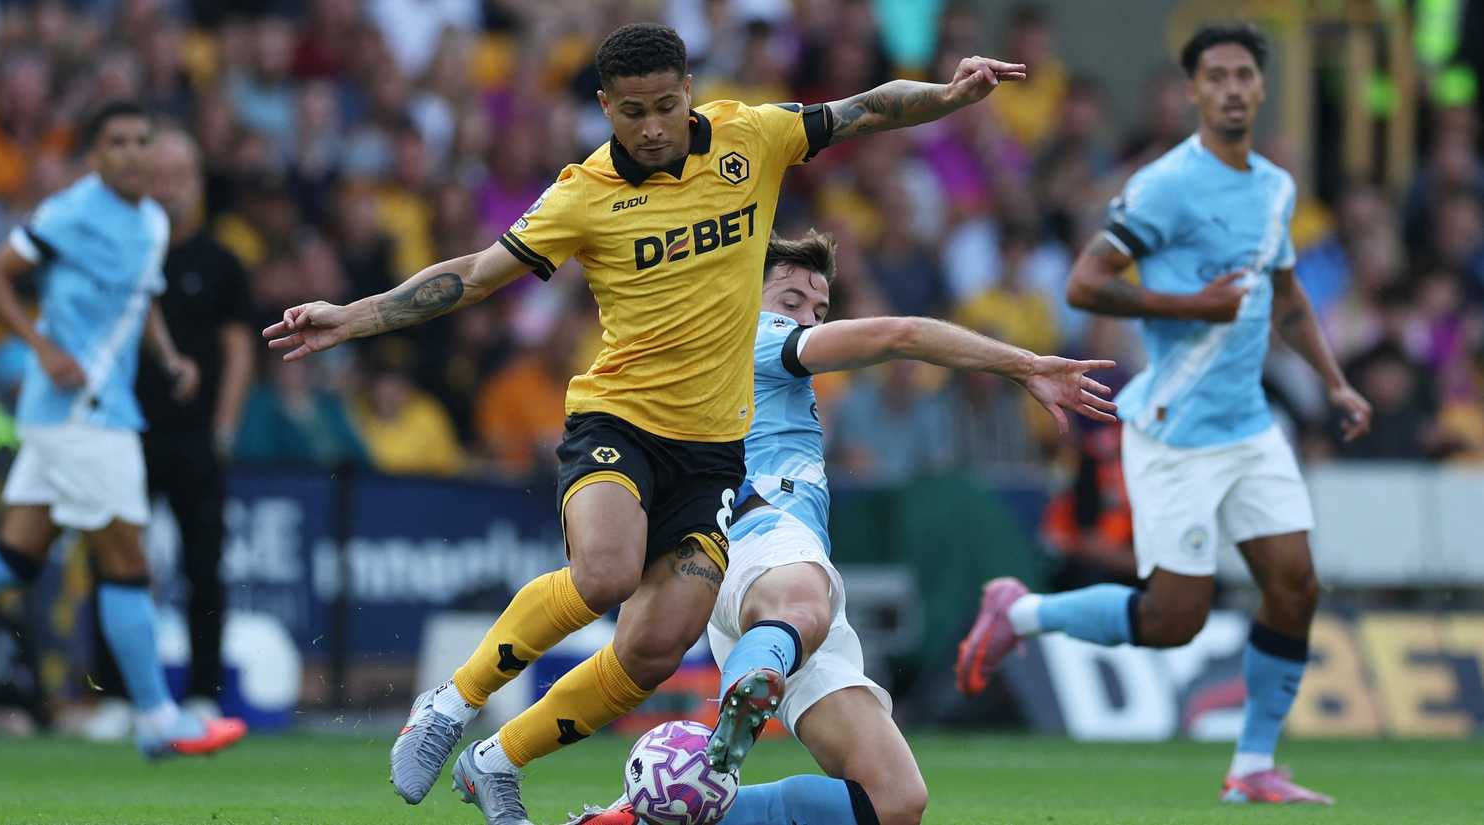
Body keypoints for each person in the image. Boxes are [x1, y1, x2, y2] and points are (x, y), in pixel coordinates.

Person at [263, 23, 1024, 825]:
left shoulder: (751, 137)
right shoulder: (583, 193)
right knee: (604, 572)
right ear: (604, 106)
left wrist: (946, 96)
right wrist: (355, 315)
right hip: (618, 420)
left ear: (688, 90)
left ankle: (497, 759)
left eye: (665, 105)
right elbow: (478, 274)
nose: (653, 127)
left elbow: (863, 109)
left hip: (711, 455)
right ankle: (450, 703)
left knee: (652, 650)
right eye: (632, 112)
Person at [954, 24, 1372, 806]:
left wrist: (1335, 383)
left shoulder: (1275, 188)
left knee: (1296, 583)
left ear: (1261, 87)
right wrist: (1190, 305)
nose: (1232, 88)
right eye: (1217, 76)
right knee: (1176, 617)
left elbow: (1285, 296)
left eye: (1244, 75)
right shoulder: (1166, 185)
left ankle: (1253, 765)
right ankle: (1023, 609)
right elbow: (1084, 283)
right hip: (1175, 429)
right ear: (1193, 91)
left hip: (1249, 425)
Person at [565, 231, 1115, 825]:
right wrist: (1026, 365)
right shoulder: (753, 336)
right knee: (804, 601)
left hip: (777, 590)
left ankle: (650, 815)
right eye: (791, 300)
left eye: (819, 309)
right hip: (757, 536)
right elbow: (901, 334)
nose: (806, 318)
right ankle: (747, 688)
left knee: (895, 800)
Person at [0, 101, 247, 759]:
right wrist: (40, 346)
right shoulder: (73, 212)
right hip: (82, 412)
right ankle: (156, 718)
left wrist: (169, 356)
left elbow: (138, 299)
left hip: (86, 413)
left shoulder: (149, 221)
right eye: (117, 141)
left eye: (142, 139)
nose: (132, 152)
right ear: (95, 157)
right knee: (128, 563)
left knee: (14, 556)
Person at [85, 127, 255, 736]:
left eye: (179, 176)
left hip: (193, 436)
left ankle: (204, 693)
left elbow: (239, 349)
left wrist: (225, 423)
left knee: (202, 566)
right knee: (115, 560)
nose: (168, 188)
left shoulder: (221, 262)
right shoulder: (126, 252)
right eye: (158, 177)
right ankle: (114, 696)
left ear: (198, 183)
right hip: (123, 428)